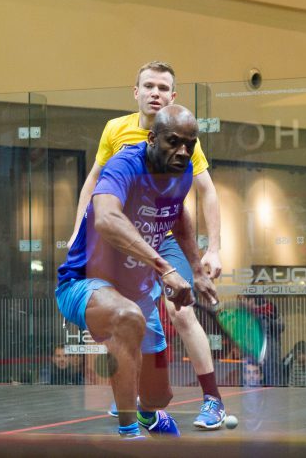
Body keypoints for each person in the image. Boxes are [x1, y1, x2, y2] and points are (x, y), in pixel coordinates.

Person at [67, 61, 226, 429]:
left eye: (163, 88)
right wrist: (77, 231)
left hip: (165, 239)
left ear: (173, 96)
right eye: (149, 86)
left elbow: (206, 191)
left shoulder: (183, 137)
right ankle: (134, 394)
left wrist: (212, 250)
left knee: (180, 310)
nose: (156, 93)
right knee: (123, 315)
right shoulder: (115, 130)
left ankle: (213, 400)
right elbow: (94, 183)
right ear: (136, 92)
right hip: (126, 242)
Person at [240, 295, 284, 385]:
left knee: (271, 378)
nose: (242, 302)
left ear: (252, 300)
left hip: (269, 353)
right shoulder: (246, 314)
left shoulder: (268, 310)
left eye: (243, 299)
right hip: (256, 353)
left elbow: (280, 327)